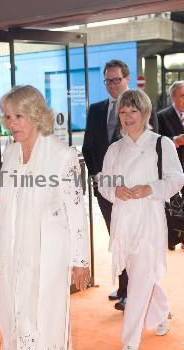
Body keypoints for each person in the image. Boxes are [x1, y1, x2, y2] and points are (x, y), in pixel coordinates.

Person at [0, 85, 90, 349]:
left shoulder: (62, 155)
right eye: (8, 117)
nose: (11, 123)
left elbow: (76, 211)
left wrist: (80, 261)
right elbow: (6, 206)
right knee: (14, 311)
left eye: (18, 116)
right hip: (14, 251)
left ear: (35, 115)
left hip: (49, 253)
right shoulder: (11, 154)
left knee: (45, 317)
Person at [98, 89, 184, 350]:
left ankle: (129, 342)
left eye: (133, 111)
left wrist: (150, 188)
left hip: (150, 219)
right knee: (140, 275)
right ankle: (162, 311)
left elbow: (176, 178)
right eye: (122, 112)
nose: (127, 116)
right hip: (123, 220)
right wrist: (116, 190)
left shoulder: (161, 143)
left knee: (138, 281)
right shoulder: (115, 148)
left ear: (144, 113)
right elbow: (104, 180)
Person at [82, 59, 158, 311]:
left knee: (136, 241)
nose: (112, 84)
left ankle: (138, 292)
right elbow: (88, 148)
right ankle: (126, 287)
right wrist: (98, 179)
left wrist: (141, 186)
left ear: (127, 79)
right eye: (108, 80)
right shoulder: (96, 109)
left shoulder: (143, 106)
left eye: (116, 79)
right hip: (107, 188)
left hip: (136, 193)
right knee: (118, 237)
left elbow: (151, 147)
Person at [158, 80, 184, 250]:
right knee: (175, 205)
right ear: (173, 96)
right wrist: (174, 140)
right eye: (182, 95)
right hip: (172, 168)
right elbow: (157, 140)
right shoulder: (161, 116)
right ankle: (173, 238)